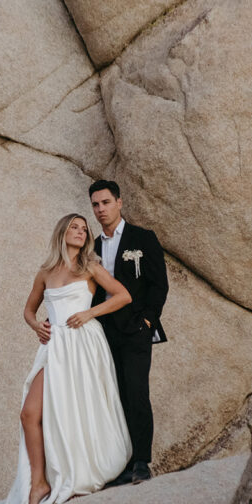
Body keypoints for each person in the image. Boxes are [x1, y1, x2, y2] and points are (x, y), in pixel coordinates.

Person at [0, 214, 133, 504]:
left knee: (75, 410)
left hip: (82, 343)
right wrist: (37, 326)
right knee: (29, 413)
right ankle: (38, 483)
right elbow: (28, 310)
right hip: (54, 347)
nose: (80, 232)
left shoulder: (89, 266)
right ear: (63, 233)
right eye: (74, 227)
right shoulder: (46, 271)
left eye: (83, 229)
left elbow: (123, 295)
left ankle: (79, 472)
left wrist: (90, 314)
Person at [89, 180, 169, 485]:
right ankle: (120, 461)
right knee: (115, 395)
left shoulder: (142, 238)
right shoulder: (92, 247)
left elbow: (158, 285)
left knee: (137, 393)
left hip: (135, 330)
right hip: (104, 332)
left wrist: (147, 322)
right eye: (96, 204)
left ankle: (141, 462)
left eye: (106, 202)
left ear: (119, 203)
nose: (100, 210)